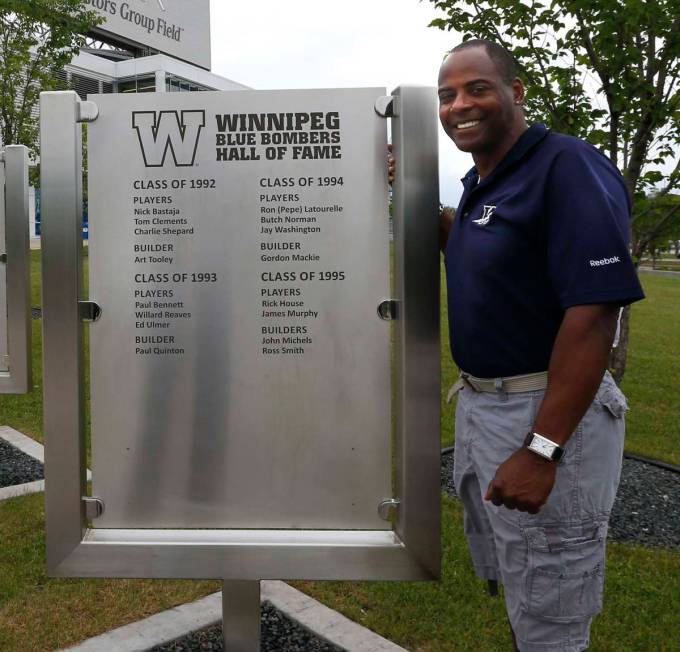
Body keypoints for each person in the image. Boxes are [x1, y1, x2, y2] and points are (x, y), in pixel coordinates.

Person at [390, 40, 645, 651]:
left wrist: (541, 450)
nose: (458, 106)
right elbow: (486, 258)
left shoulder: (565, 166)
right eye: (447, 95)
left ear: (516, 92)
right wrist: (422, 200)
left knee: (551, 606)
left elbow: (593, 315)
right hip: (485, 407)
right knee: (523, 582)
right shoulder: (486, 180)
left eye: (477, 88)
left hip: (549, 412)